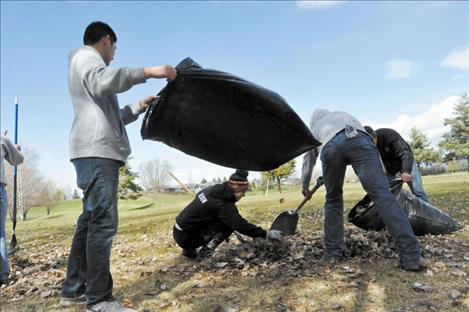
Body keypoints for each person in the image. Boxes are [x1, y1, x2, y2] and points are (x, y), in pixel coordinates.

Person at [60, 21, 177, 312]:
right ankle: (99, 299)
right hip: (96, 153)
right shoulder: (88, 59)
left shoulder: (85, 67)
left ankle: (74, 290)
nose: (114, 55)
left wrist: (138, 105)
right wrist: (149, 72)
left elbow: (113, 117)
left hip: (90, 151)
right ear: (107, 41)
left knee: (89, 223)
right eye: (114, 48)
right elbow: (104, 81)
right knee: (102, 224)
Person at [301, 109, 426, 271]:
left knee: (333, 200)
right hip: (360, 139)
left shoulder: (316, 128)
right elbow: (365, 147)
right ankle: (411, 257)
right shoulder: (342, 114)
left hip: (330, 148)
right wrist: (381, 179)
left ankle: (333, 254)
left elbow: (308, 159)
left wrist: (305, 185)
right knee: (383, 197)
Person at [174, 169, 283, 259]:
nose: (243, 196)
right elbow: (240, 225)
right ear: (236, 190)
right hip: (188, 237)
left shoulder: (212, 189)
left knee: (218, 219)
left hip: (178, 231)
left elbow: (199, 195)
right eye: (243, 192)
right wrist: (265, 234)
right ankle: (206, 251)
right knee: (228, 225)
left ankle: (189, 250)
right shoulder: (223, 205)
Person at [364, 126, 431, 203]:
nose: (369, 145)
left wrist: (406, 171)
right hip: (389, 168)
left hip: (406, 162)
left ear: (375, 136)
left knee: (418, 191)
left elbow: (405, 152)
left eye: (371, 142)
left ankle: (431, 213)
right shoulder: (366, 148)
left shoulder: (389, 135)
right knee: (385, 193)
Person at [0, 134, 24, 285]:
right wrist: (15, 149)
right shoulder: (1, 139)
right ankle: (2, 276)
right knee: (0, 234)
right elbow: (17, 160)